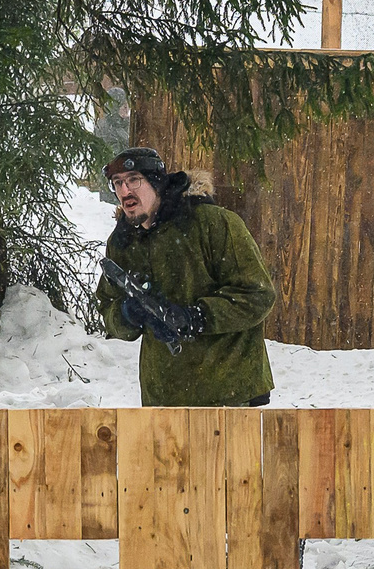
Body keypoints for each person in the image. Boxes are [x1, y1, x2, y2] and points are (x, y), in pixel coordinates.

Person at [95, 147, 278, 408]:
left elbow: (257, 295)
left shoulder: (213, 223)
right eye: (117, 183)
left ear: (156, 182)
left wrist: (197, 317)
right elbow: (107, 307)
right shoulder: (123, 241)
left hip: (230, 395)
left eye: (134, 179)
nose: (125, 192)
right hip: (162, 398)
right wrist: (128, 314)